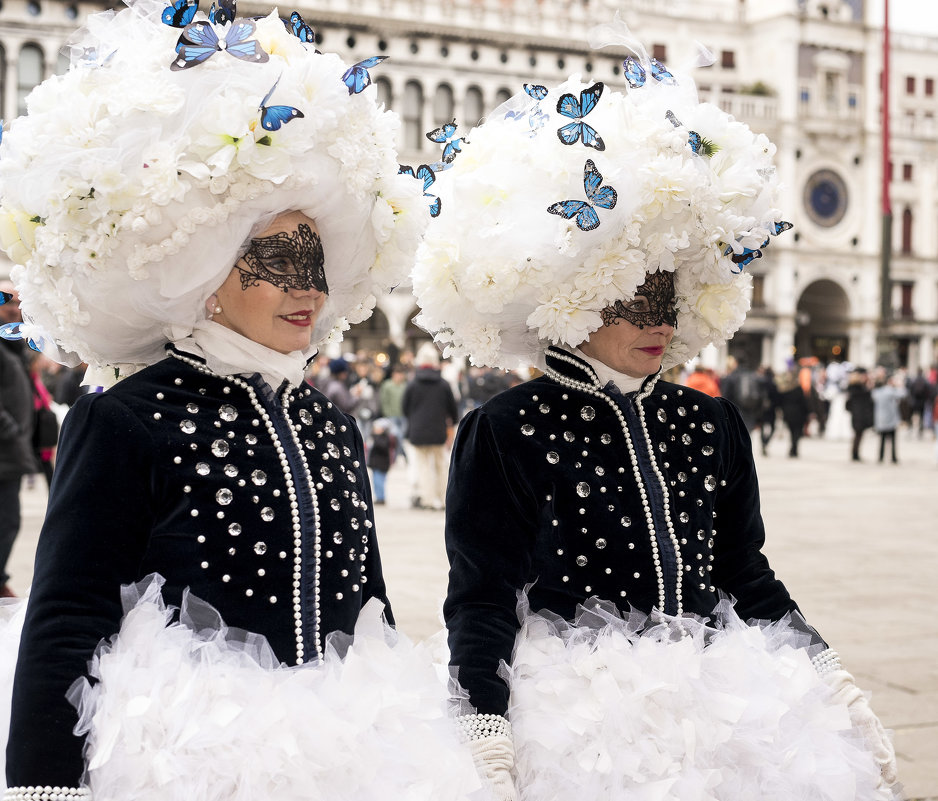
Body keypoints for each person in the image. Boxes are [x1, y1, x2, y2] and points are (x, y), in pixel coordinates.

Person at [0, 4, 482, 798]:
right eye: (278, 261)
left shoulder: (329, 421)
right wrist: (43, 784)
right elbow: (67, 615)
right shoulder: (124, 416)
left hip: (345, 750)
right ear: (208, 266)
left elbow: (371, 605)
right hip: (182, 753)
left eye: (317, 263)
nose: (309, 289)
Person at [412, 28, 897, 801]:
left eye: (669, 297)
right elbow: (482, 591)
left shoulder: (713, 423)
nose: (659, 320)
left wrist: (825, 669)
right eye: (636, 296)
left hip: (720, 703)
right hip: (576, 721)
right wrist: (484, 717)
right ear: (575, 286)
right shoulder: (504, 429)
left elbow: (745, 571)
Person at [0, 281, 37, 599]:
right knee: (6, 522)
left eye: (17, 302)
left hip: (10, 456)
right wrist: (11, 432)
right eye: (4, 300)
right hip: (4, 452)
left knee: (8, 521)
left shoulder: (13, 348)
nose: (13, 308)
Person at [401, 342, 458, 511]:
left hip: (418, 431)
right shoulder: (443, 384)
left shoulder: (412, 383)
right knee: (441, 465)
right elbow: (453, 409)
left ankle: (427, 499)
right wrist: (452, 424)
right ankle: (443, 499)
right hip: (438, 430)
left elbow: (405, 407)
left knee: (423, 466)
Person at [871, 372, 906, 464]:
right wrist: (899, 385)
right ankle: (893, 457)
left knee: (882, 440)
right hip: (891, 419)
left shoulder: (876, 392)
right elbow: (903, 394)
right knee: (893, 441)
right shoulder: (889, 391)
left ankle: (880, 457)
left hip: (881, 419)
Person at [776, 368, 811, 458]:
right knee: (797, 432)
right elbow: (804, 401)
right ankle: (794, 449)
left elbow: (780, 402)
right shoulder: (798, 389)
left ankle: (793, 448)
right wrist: (808, 412)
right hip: (798, 413)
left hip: (788, 413)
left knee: (792, 432)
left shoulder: (784, 390)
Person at [845, 368, 875, 461]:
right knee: (858, 435)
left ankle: (855, 453)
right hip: (859, 415)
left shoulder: (854, 388)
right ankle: (855, 454)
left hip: (857, 414)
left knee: (858, 435)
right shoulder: (859, 389)